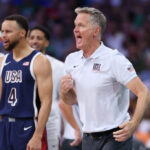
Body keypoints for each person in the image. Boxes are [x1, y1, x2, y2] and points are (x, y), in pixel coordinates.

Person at [60, 7, 150, 150]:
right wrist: (64, 92)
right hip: (89, 135)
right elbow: (71, 100)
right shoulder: (71, 60)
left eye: (81, 25)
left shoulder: (114, 59)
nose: (75, 30)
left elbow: (143, 92)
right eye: (75, 25)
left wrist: (133, 124)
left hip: (116, 135)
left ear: (96, 31)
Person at [0, 14, 53, 150]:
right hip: (4, 126)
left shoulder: (39, 61)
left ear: (22, 33)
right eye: (2, 31)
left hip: (27, 126)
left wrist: (37, 136)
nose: (3, 36)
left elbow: (46, 101)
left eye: (8, 32)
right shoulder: (3, 61)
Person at [28, 25, 64, 150]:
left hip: (51, 121)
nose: (34, 41)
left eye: (39, 38)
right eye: (31, 38)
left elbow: (64, 99)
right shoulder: (19, 64)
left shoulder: (60, 67)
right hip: (25, 120)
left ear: (47, 42)